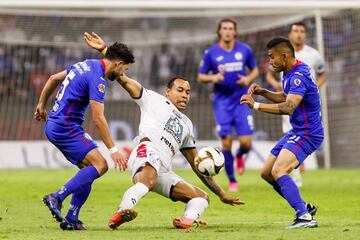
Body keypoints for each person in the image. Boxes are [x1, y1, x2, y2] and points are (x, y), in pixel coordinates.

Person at [84, 32, 244, 230]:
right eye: (180, 90)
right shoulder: (152, 98)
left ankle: (186, 221)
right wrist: (105, 50)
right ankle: (122, 211)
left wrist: (221, 193)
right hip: (147, 151)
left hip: (164, 169)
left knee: (201, 198)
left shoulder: (187, 124)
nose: (185, 95)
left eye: (187, 92)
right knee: (148, 179)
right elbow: (122, 77)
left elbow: (196, 164)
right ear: (167, 91)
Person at [34, 41, 134, 230]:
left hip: (57, 124)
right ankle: (57, 197)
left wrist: (41, 104)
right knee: (101, 165)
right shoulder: (98, 78)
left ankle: (72, 217)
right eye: (124, 69)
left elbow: (53, 78)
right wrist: (113, 150)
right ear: (118, 63)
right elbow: (98, 118)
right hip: (65, 126)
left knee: (88, 170)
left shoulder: (86, 64)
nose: (122, 75)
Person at [240, 37, 322, 229]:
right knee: (267, 173)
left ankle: (304, 217)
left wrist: (256, 105)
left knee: (279, 170)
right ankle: (304, 207)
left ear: (284, 56)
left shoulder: (297, 76)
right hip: (298, 131)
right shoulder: (290, 71)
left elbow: (289, 107)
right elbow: (287, 96)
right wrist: (263, 92)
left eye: (271, 57)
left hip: (308, 133)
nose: (269, 61)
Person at [198, 18, 259, 192]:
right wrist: (214, 78)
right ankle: (232, 180)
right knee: (226, 143)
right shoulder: (211, 53)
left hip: (242, 100)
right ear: (219, 31)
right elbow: (201, 76)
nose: (227, 31)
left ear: (235, 31)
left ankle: (240, 155)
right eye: (224, 28)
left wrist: (248, 78)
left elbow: (255, 69)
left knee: (246, 142)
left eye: (231, 28)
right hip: (222, 102)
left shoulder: (245, 50)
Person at [266, 22, 327, 187]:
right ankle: (294, 173)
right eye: (295, 31)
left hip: (301, 104)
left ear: (305, 34)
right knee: (290, 132)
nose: (299, 34)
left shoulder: (313, 55)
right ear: (290, 35)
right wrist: (270, 88)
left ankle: (293, 174)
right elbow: (270, 74)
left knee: (296, 138)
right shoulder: (280, 56)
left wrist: (310, 89)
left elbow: (322, 75)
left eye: (302, 31)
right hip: (289, 98)